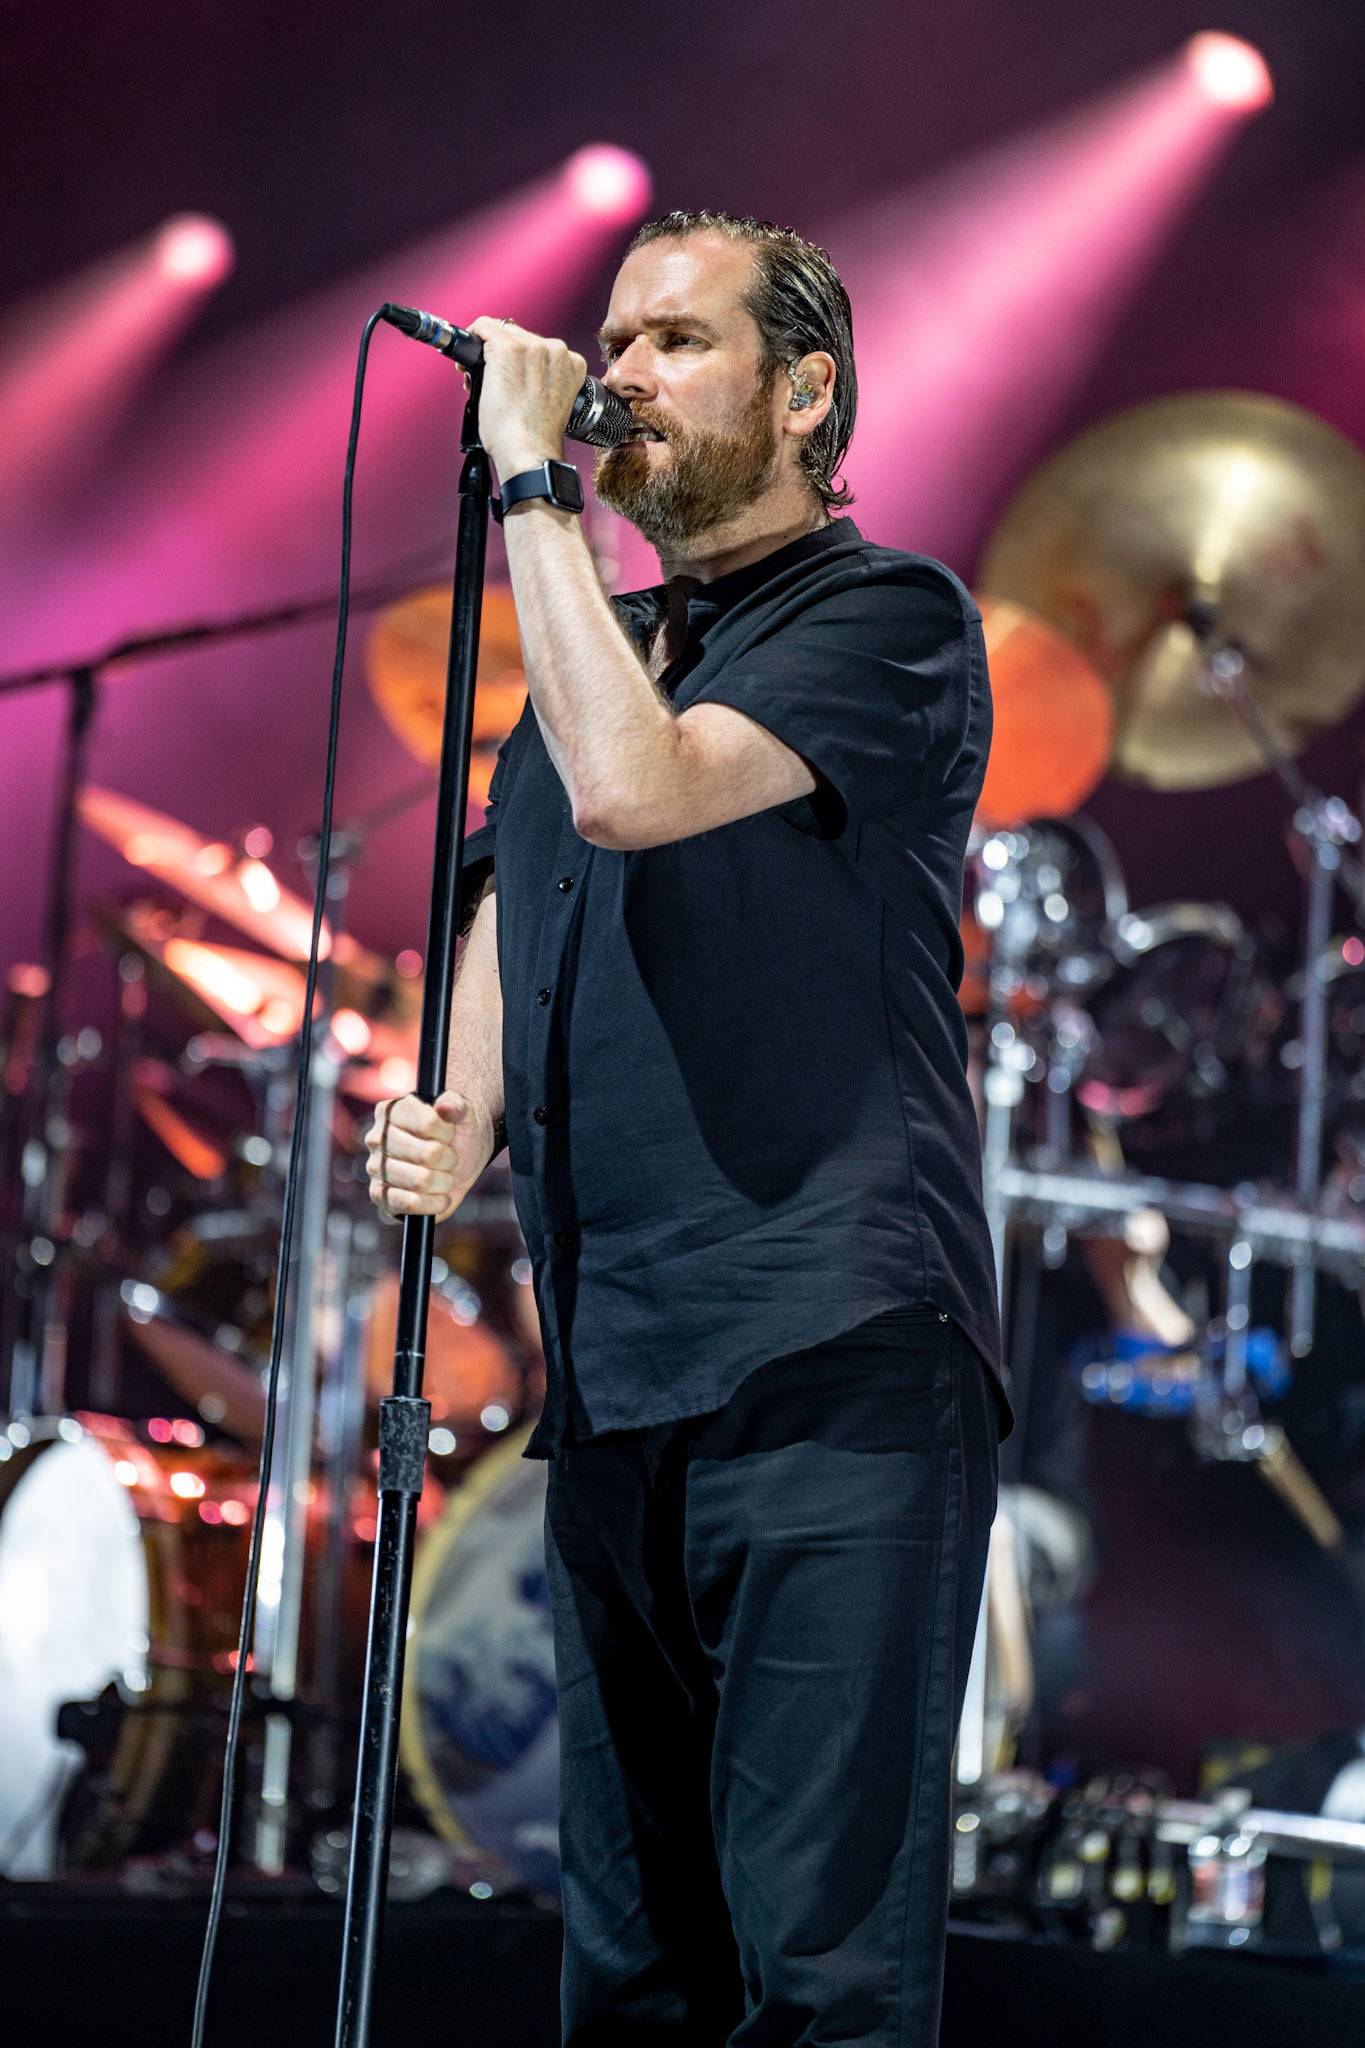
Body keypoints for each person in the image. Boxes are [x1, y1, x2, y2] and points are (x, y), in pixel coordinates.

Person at [367, 210, 1003, 2048]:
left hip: (829, 1354)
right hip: (618, 1369)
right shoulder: (610, 646)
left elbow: (634, 792)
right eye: (612, 340)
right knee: (635, 1974)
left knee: (817, 1977)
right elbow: (514, 877)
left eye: (672, 341)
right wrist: (463, 1106)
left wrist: (528, 483)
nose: (617, 375)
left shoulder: (885, 618)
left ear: (803, 392)